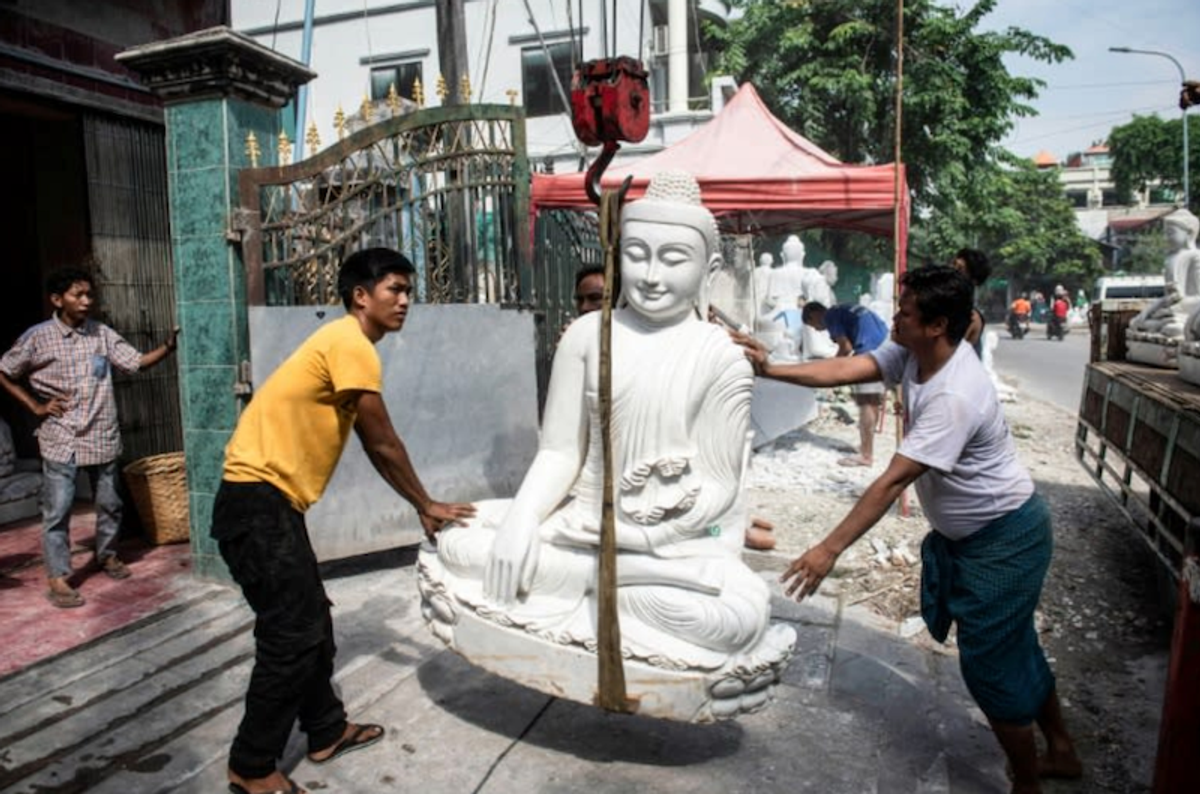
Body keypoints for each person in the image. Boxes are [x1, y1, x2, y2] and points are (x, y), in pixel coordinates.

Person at [424, 171, 794, 691]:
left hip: (668, 545)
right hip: (577, 526)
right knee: (463, 542)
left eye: (673, 259)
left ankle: (593, 588)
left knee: (735, 617)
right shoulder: (584, 336)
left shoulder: (720, 358)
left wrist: (639, 537)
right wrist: (522, 522)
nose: (651, 276)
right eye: (637, 255)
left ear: (708, 268)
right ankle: (590, 585)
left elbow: (718, 486)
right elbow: (557, 453)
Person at [731, 265, 1080, 794]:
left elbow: (891, 481)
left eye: (906, 311)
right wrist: (770, 368)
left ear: (937, 324)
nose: (894, 317)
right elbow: (851, 368)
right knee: (1017, 646)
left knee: (991, 667)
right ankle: (1061, 750)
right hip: (981, 536)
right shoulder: (915, 353)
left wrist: (827, 549)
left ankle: (1027, 784)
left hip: (1005, 538)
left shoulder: (954, 394)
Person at [212, 248, 476, 794]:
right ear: (361, 296)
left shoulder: (342, 344)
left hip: (270, 506)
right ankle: (252, 764)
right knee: (292, 636)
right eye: (394, 290)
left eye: (409, 291)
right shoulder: (350, 343)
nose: (405, 301)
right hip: (257, 505)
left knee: (313, 625)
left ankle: (326, 730)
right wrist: (425, 504)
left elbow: (369, 437)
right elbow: (380, 439)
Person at [0, 267, 178, 609]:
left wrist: (167, 348)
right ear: (57, 299)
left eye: (89, 295)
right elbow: (6, 372)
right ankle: (58, 577)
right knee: (59, 509)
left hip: (101, 433)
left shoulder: (102, 334)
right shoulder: (37, 337)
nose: (86, 301)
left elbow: (135, 362)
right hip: (60, 437)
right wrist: (35, 406)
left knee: (110, 502)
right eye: (77, 295)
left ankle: (107, 554)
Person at [800, 301, 889, 467]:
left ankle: (866, 455)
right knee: (872, 403)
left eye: (812, 325)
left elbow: (845, 347)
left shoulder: (831, 316)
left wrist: (830, 371)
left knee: (866, 404)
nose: (817, 330)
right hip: (887, 345)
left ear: (814, 315)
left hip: (870, 351)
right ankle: (865, 447)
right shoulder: (843, 308)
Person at [952, 248, 991, 356]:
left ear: (973, 280)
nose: (952, 271)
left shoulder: (970, 317)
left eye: (959, 269)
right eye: (953, 265)